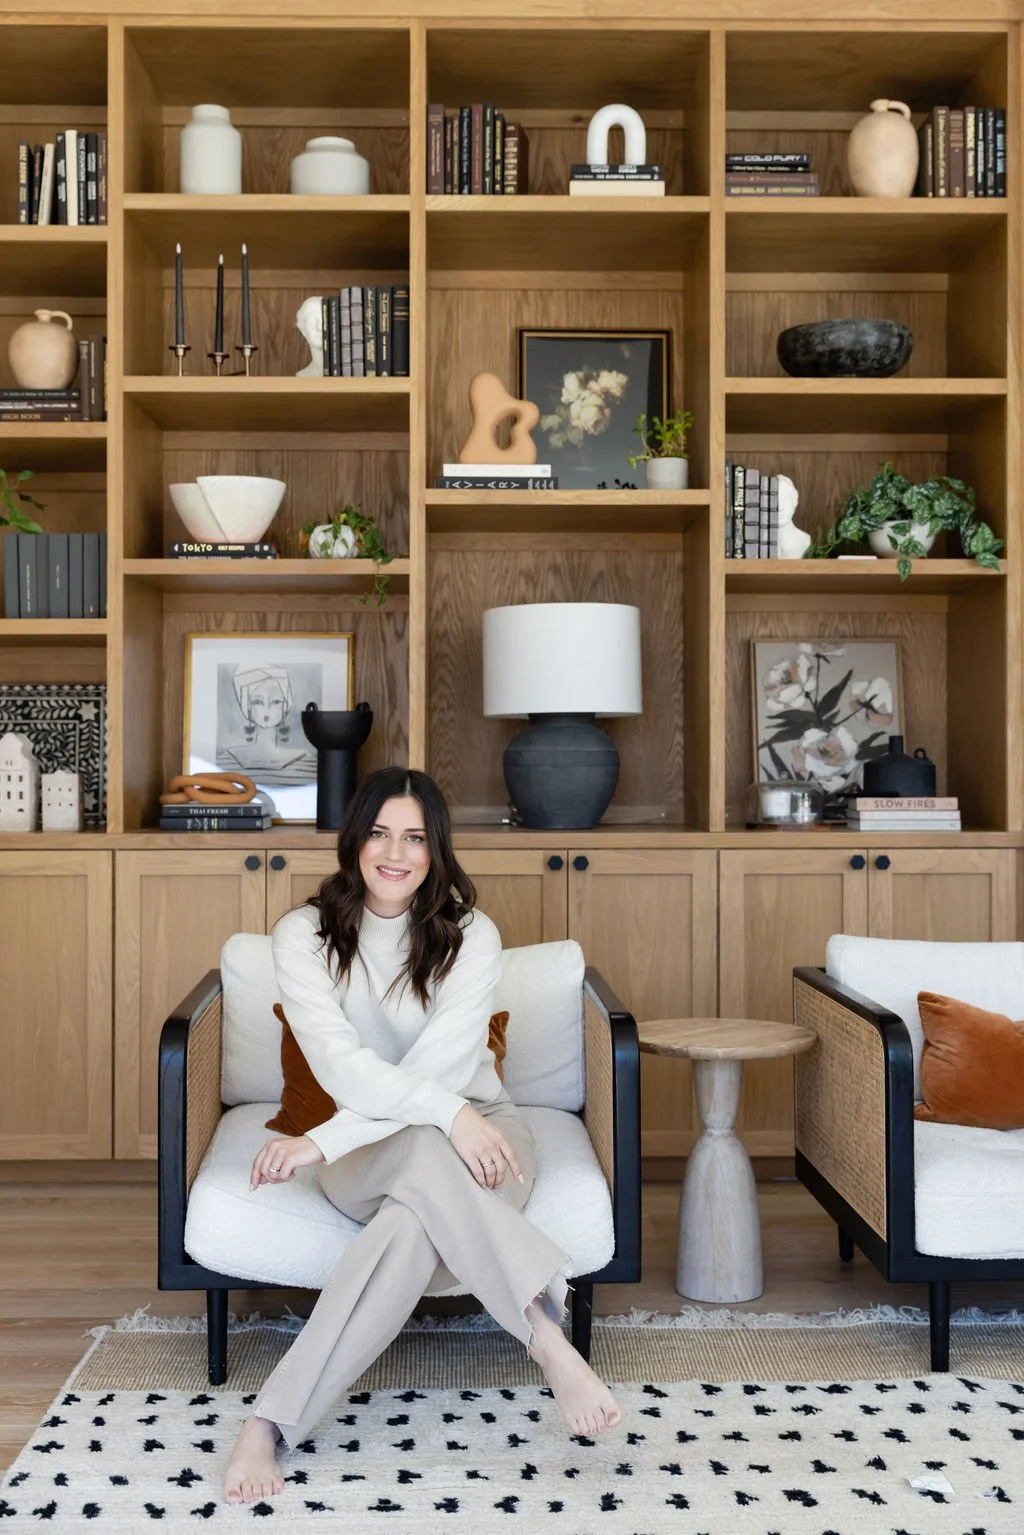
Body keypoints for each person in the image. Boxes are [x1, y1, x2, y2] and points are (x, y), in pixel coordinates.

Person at [224, 766, 621, 1504]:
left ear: (436, 849)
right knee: (428, 1145)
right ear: (355, 840)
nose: (395, 852)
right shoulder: (302, 935)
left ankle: (269, 1421)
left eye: (413, 836)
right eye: (379, 833)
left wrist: (443, 1115)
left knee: (408, 1229)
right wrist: (430, 1117)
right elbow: (344, 1068)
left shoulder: (472, 935)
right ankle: (545, 1334)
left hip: (487, 1136)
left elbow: (440, 1065)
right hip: (365, 1149)